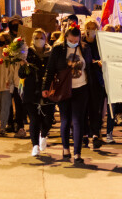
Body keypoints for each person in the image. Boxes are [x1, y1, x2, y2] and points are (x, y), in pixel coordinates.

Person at [42, 23, 92, 164]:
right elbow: (50, 69)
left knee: (78, 120)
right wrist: (45, 87)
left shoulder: (85, 49)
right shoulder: (58, 49)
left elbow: (89, 67)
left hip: (81, 88)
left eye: (76, 41)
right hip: (64, 89)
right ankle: (65, 149)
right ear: (66, 38)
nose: (73, 43)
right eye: (71, 40)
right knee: (65, 119)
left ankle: (77, 153)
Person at [19, 29, 53, 157]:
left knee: (48, 118)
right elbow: (21, 74)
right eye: (37, 37)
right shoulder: (28, 53)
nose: (39, 40)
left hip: (47, 89)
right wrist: (23, 65)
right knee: (34, 119)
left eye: (41, 37)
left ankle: (43, 135)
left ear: (46, 39)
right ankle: (35, 146)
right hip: (31, 90)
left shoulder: (51, 52)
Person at [82, 18, 107, 149]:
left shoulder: (100, 43)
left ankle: (96, 134)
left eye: (93, 28)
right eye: (88, 27)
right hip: (83, 80)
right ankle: (85, 135)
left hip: (97, 80)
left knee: (96, 109)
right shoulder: (80, 43)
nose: (90, 30)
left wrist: (100, 62)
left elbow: (106, 57)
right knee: (84, 108)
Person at [6, 15, 27, 138]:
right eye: (13, 23)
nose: (15, 26)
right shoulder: (6, 36)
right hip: (8, 73)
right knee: (8, 99)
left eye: (18, 23)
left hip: (20, 75)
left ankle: (19, 124)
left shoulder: (24, 37)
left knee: (19, 100)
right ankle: (9, 122)